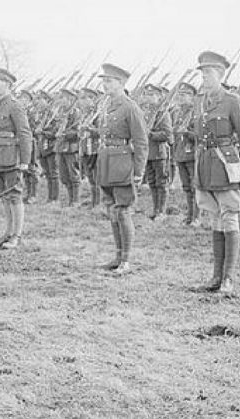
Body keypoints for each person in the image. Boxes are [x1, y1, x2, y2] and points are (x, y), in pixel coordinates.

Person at [191, 51, 240, 293]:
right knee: (215, 217)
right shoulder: (200, 101)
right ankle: (215, 277)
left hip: (226, 166)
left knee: (230, 216)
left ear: (220, 74)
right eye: (202, 73)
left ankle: (228, 278)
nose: (204, 77)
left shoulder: (231, 101)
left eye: (208, 73)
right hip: (206, 166)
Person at [96, 63, 148, 275]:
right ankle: (117, 256)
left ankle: (126, 260)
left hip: (123, 164)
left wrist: (138, 172)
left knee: (123, 211)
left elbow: (141, 142)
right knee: (112, 211)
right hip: (107, 162)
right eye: (104, 81)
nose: (105, 84)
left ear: (122, 83)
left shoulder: (130, 107)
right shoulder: (106, 105)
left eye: (109, 81)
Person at [0, 68, 33, 249]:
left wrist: (24, 161)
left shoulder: (15, 105)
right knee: (4, 196)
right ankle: (8, 233)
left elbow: (25, 133)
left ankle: (17, 236)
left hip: (12, 157)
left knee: (14, 196)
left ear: (8, 84)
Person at [140, 84, 173, 220]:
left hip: (160, 153)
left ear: (159, 97)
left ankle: (162, 211)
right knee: (152, 182)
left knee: (162, 183)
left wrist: (151, 134)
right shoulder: (145, 113)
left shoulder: (163, 114)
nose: (149, 98)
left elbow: (167, 134)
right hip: (148, 153)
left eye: (152, 95)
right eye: (147, 95)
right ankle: (155, 209)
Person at [171, 82, 199, 225]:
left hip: (193, 155)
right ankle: (189, 215)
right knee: (187, 187)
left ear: (192, 97)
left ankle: (196, 217)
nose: (181, 97)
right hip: (181, 154)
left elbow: (203, 136)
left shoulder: (197, 113)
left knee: (195, 187)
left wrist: (187, 133)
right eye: (180, 94)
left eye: (185, 94)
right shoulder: (178, 113)